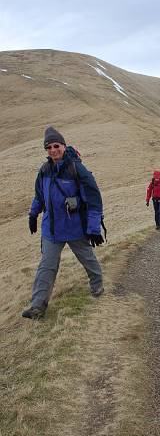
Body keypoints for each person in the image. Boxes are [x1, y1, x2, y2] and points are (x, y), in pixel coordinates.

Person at [22, 127, 105, 320]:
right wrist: (33, 215)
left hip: (74, 227)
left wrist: (93, 228)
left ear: (63, 146)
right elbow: (39, 197)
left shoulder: (76, 169)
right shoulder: (44, 171)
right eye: (49, 147)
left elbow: (93, 199)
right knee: (47, 266)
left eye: (56, 146)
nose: (53, 150)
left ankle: (97, 284)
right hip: (51, 230)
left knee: (87, 258)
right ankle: (37, 307)